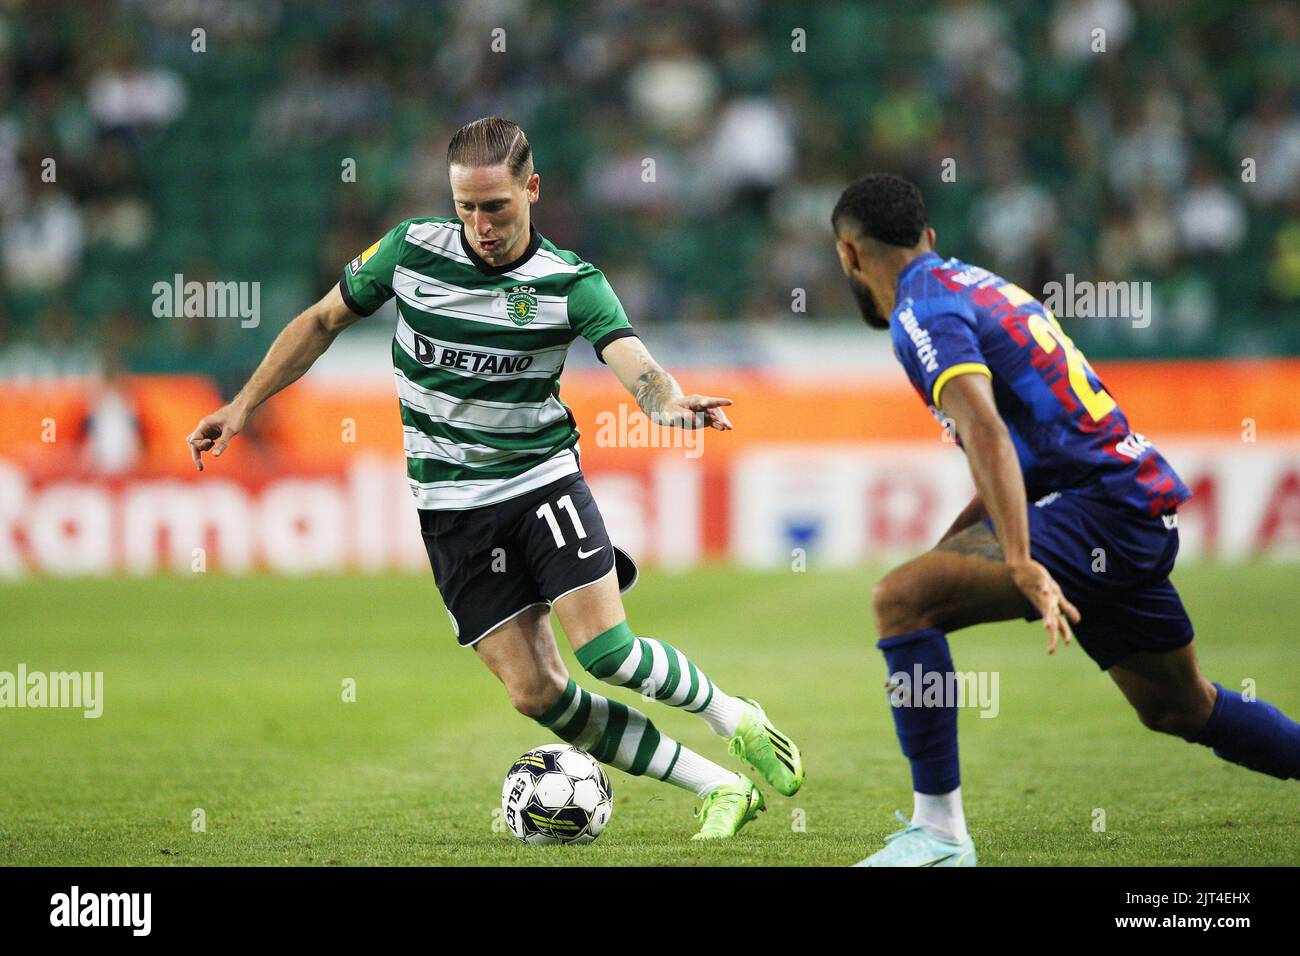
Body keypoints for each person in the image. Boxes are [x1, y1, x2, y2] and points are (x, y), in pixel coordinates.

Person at [186, 116, 803, 840]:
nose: (480, 224)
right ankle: (718, 786)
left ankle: (736, 718)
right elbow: (322, 322)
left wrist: (666, 402)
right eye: (466, 207)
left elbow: (633, 360)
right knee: (535, 692)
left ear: (531, 189)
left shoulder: (571, 284)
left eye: (496, 207)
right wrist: (242, 405)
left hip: (540, 483)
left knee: (607, 652)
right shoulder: (410, 252)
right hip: (450, 512)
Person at [831, 172, 1299, 866]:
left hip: (1098, 509)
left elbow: (986, 432)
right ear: (929, 238)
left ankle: (939, 834)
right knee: (1179, 708)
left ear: (848, 255)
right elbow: (1013, 451)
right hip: (1126, 504)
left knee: (900, 601)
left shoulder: (919, 313)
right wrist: (961, 544)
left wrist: (1017, 559)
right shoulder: (978, 285)